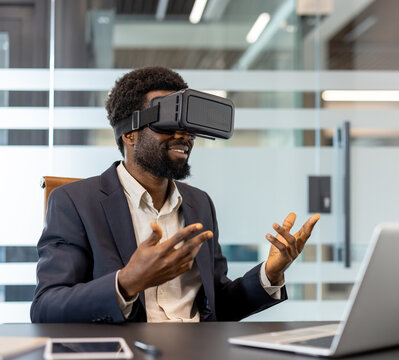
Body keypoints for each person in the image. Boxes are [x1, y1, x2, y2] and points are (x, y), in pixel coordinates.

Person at [30, 66, 320, 323]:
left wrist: (269, 273)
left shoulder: (199, 203)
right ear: (129, 133)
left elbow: (218, 305)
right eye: (169, 122)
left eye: (188, 126)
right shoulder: (75, 202)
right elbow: (46, 308)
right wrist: (126, 283)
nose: (183, 135)